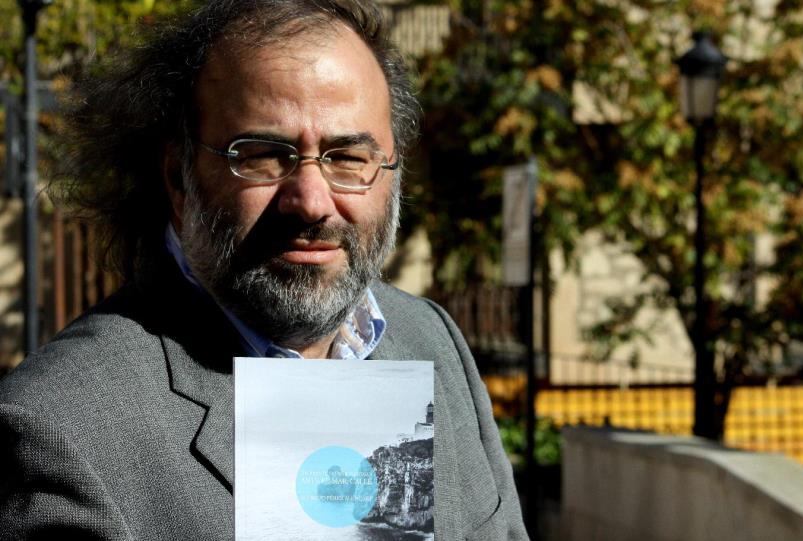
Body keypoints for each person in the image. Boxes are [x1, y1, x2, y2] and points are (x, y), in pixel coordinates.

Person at [0, 1, 528, 539]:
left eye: (347, 157)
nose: (311, 201)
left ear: (392, 172)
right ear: (179, 179)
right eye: (262, 155)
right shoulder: (63, 425)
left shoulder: (434, 342)